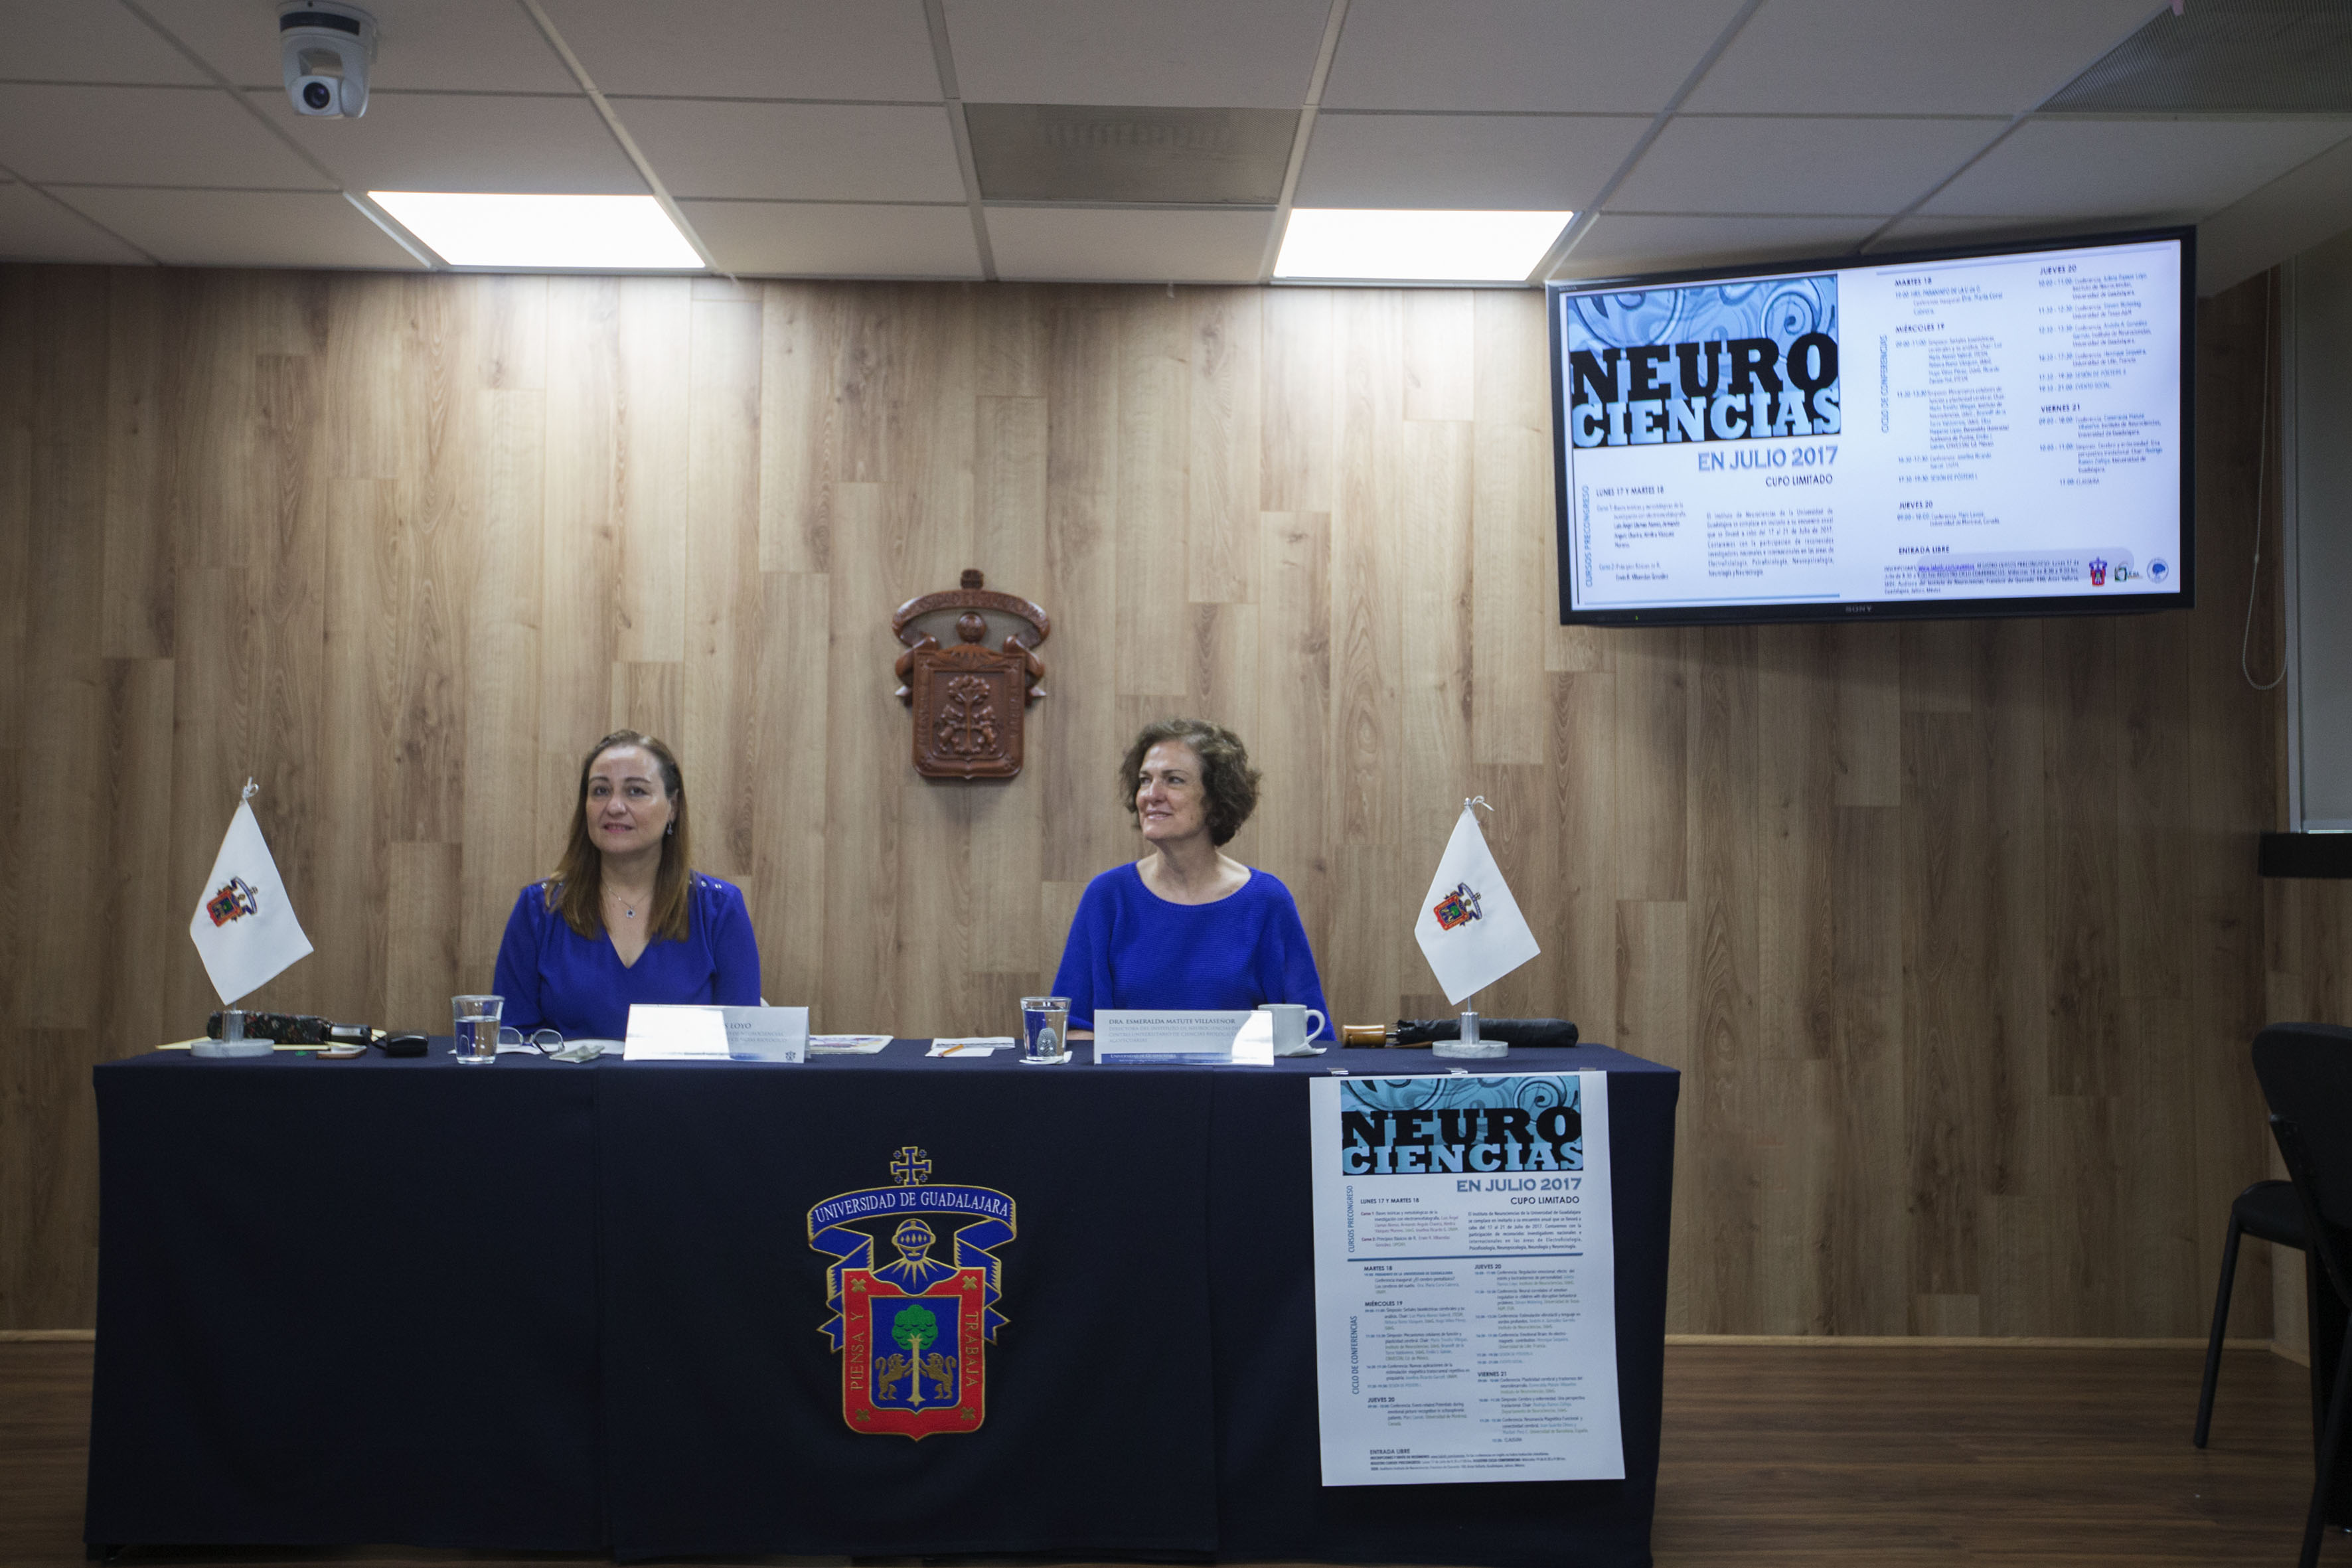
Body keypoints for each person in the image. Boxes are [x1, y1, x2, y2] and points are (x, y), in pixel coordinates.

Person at [1052, 717, 1330, 1038]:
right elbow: (1072, 1031)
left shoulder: (1266, 900)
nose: (1151, 794)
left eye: (1174, 780)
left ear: (1216, 798)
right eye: (1144, 780)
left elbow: (1310, 1035)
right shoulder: (1107, 896)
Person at [492, 730, 759, 1040]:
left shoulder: (719, 909)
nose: (615, 806)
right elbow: (514, 1037)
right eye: (600, 791)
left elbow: (742, 1044)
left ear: (672, 807)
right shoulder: (540, 907)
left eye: (635, 791)